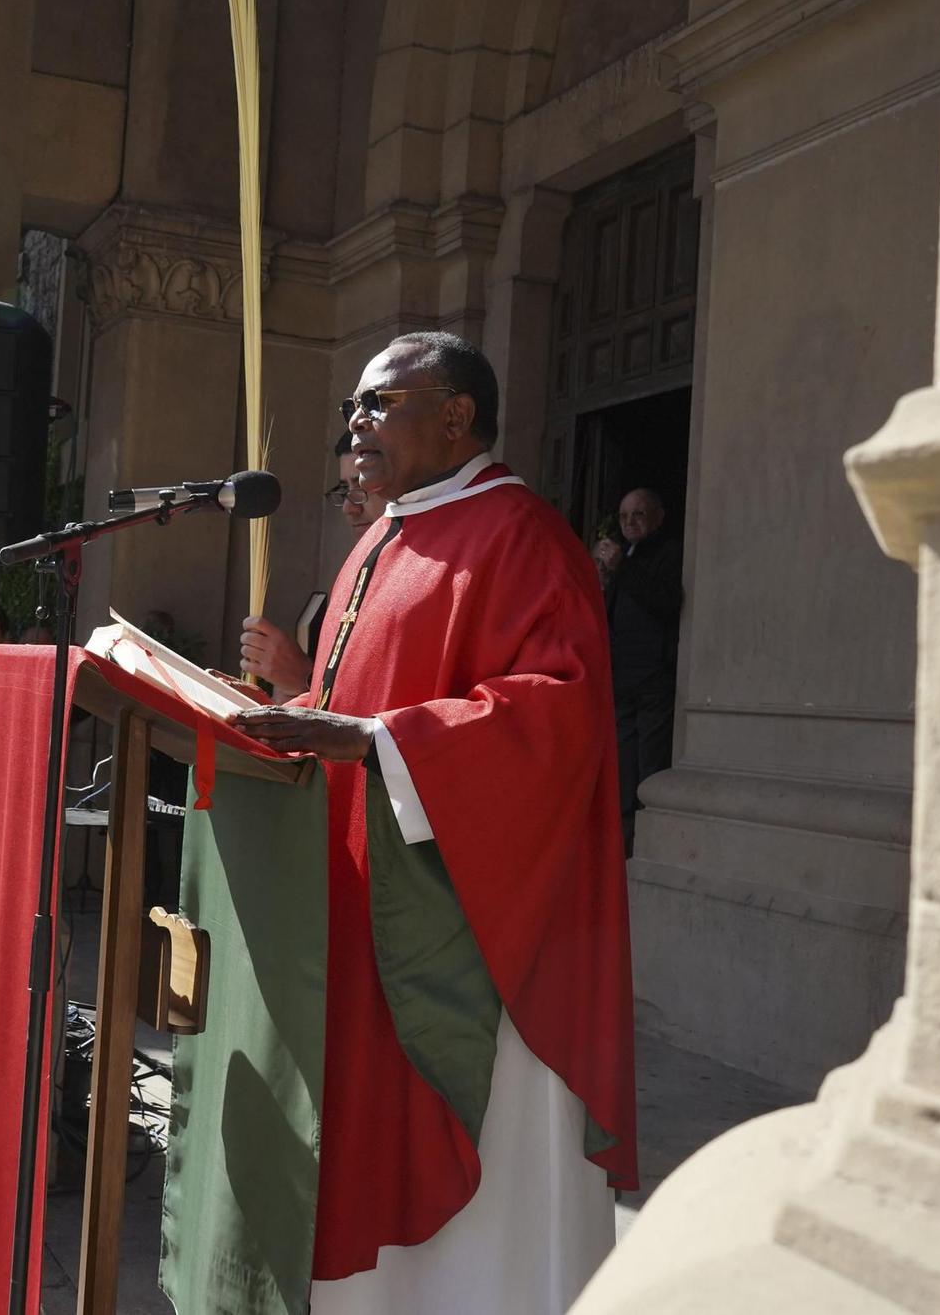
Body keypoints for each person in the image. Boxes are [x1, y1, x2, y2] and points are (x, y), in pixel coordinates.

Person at [232, 331, 635, 1313]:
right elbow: (353, 701)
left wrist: (375, 738)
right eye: (351, 411)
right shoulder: (382, 534)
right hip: (363, 901)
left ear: (455, 416)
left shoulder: (519, 534)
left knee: (479, 1207)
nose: (355, 426)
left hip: (466, 924)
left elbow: (556, 710)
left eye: (378, 404)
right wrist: (296, 687)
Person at [237, 435, 388, 699]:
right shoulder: (351, 573)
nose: (350, 508)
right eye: (344, 489)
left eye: (361, 486)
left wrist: (305, 680)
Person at [596, 487, 682, 852]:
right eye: (624, 516)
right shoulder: (625, 554)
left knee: (649, 763)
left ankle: (648, 842)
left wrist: (622, 568)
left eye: (639, 515)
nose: (630, 523)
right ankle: (621, 839)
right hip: (621, 680)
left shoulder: (670, 551)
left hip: (651, 680)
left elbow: (665, 602)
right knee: (622, 764)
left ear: (658, 517)